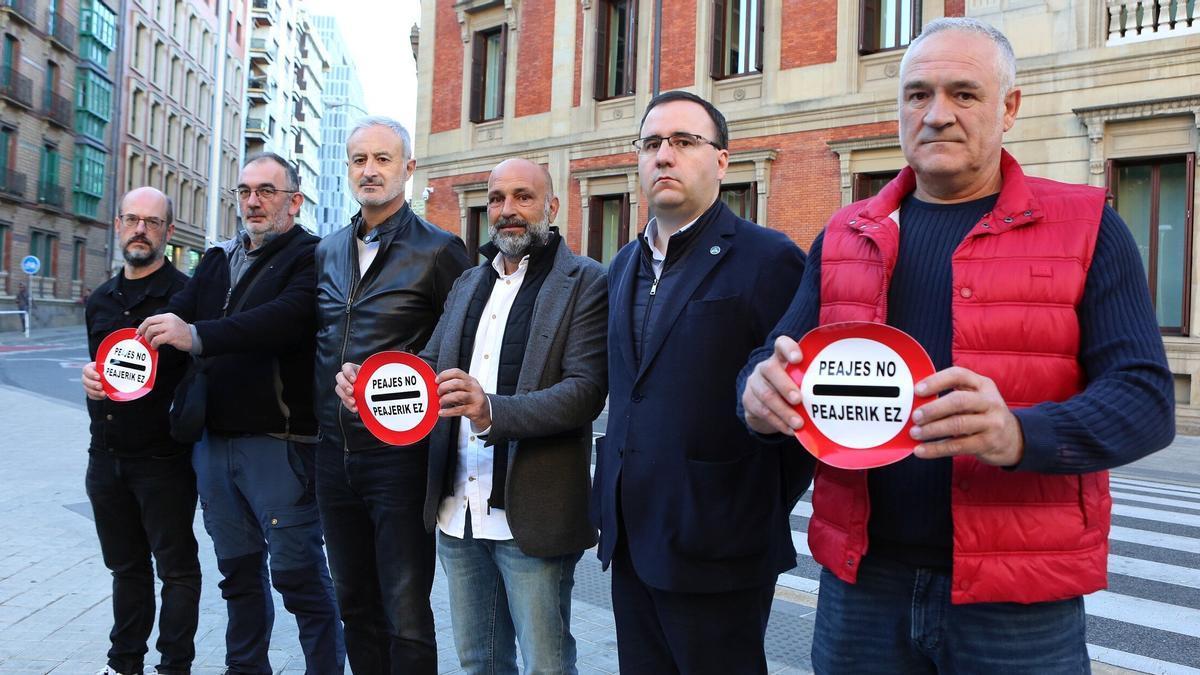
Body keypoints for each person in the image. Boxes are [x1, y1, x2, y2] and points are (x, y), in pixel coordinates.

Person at [739, 18, 1175, 673]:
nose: (937, 114)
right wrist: (755, 394)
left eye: (964, 94)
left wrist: (1019, 434)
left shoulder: (1089, 226)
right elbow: (777, 362)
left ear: (1010, 108)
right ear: (898, 112)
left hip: (1019, 601)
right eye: (918, 94)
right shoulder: (846, 232)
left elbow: (1145, 397)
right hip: (863, 584)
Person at [334, 158, 606, 674]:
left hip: (531, 514)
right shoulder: (468, 282)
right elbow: (428, 367)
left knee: (547, 666)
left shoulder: (585, 280)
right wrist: (369, 387)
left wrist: (490, 411)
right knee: (478, 661)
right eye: (497, 198)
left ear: (552, 206)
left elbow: (585, 392)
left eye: (523, 197)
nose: (508, 210)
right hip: (457, 513)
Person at [591, 90, 808, 674]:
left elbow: (794, 412)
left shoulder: (769, 259)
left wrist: (740, 506)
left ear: (722, 161)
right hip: (632, 539)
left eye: (684, 142)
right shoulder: (622, 267)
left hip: (719, 546)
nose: (665, 155)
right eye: (652, 143)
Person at [138, 153, 343, 674]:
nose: (253, 201)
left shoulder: (312, 257)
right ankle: (245, 670)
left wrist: (198, 336)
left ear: (294, 201)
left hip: (281, 444)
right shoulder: (215, 259)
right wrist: (116, 368)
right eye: (245, 190)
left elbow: (284, 320)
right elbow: (171, 322)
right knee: (238, 577)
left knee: (300, 579)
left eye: (267, 191)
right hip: (214, 445)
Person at [313, 116, 471, 674]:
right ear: (347, 170)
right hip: (334, 454)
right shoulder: (327, 251)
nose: (370, 170)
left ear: (408, 168)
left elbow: (465, 342)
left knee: (405, 610)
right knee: (353, 602)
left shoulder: (440, 250)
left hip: (401, 457)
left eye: (383, 159)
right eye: (359, 159)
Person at [81, 187, 200, 675]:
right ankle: (123, 663)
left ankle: (174, 666)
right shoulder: (100, 301)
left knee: (176, 572)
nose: (140, 229)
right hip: (105, 456)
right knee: (125, 569)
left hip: (164, 461)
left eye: (152, 222)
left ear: (168, 233)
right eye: (132, 219)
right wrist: (89, 381)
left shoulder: (186, 298)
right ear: (118, 225)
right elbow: (103, 371)